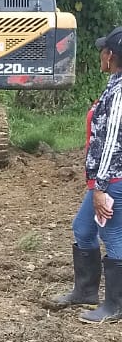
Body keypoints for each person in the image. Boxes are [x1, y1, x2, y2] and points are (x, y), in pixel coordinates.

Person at [51, 27, 122, 322]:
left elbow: (112, 142)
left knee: (112, 234)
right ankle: (85, 291)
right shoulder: (114, 84)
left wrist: (100, 187)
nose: (100, 55)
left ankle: (115, 305)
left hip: (113, 179)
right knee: (83, 228)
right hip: (106, 178)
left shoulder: (120, 93)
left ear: (111, 55)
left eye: (103, 50)